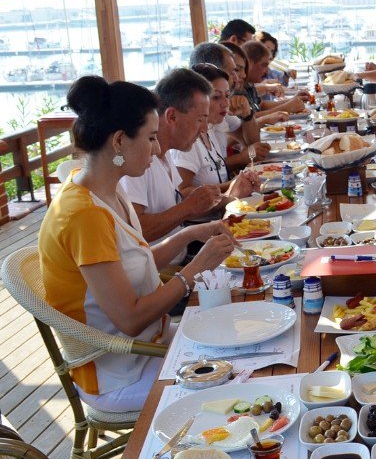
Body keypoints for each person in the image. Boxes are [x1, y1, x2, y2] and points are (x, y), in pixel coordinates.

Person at [38, 76, 237, 412]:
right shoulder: (83, 215)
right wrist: (195, 269)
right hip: (119, 370)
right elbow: (129, 319)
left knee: (238, 341)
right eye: (151, 138)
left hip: (151, 343)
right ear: (119, 141)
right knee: (235, 384)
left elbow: (136, 260)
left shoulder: (105, 189)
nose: (158, 149)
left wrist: (189, 235)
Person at [121, 68, 226, 262]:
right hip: (161, 274)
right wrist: (188, 207)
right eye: (200, 119)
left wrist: (225, 197)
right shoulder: (135, 164)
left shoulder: (166, 153)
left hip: (184, 256)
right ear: (172, 117)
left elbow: (175, 199)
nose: (204, 128)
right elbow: (137, 229)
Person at [172, 64, 260, 199]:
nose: (226, 103)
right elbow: (181, 192)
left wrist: (238, 182)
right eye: (216, 97)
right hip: (207, 218)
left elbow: (251, 143)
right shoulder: (186, 141)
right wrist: (231, 185)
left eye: (227, 95)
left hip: (224, 207)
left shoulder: (211, 126)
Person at [189, 41, 262, 151]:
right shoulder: (192, 120)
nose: (238, 78)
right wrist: (242, 159)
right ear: (213, 70)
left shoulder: (223, 104)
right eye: (233, 71)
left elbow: (251, 143)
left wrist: (248, 114)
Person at [242, 40, 308, 117]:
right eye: (264, 65)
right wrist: (286, 108)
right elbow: (250, 119)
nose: (267, 71)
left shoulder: (249, 84)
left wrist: (294, 99)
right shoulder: (238, 87)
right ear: (250, 63)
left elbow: (262, 106)